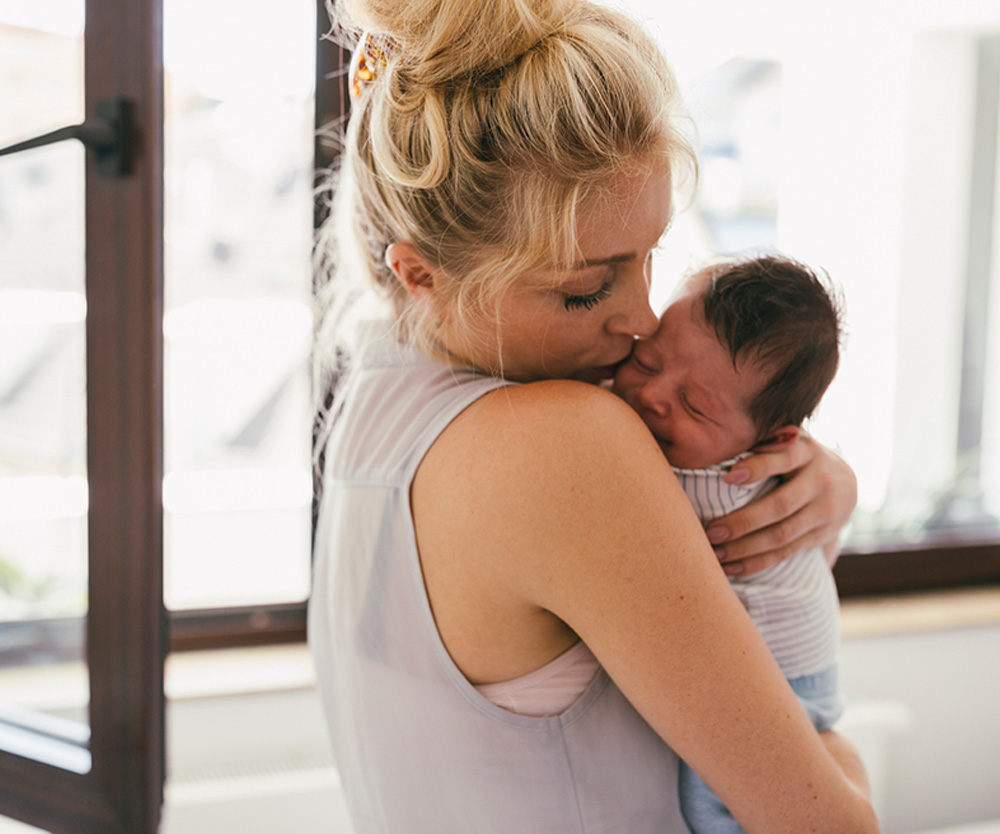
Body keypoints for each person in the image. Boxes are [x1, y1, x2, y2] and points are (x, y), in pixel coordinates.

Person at [309, 1, 879, 831]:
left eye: (650, 259)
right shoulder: (566, 441)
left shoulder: (372, 406)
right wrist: (840, 757)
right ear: (422, 272)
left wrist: (799, 482)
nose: (644, 320)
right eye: (586, 288)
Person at [612, 254, 846, 834]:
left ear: (774, 440)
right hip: (799, 664)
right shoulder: (718, 445)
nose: (653, 396)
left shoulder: (711, 485)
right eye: (646, 359)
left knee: (718, 810)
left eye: (696, 406)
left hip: (780, 682)